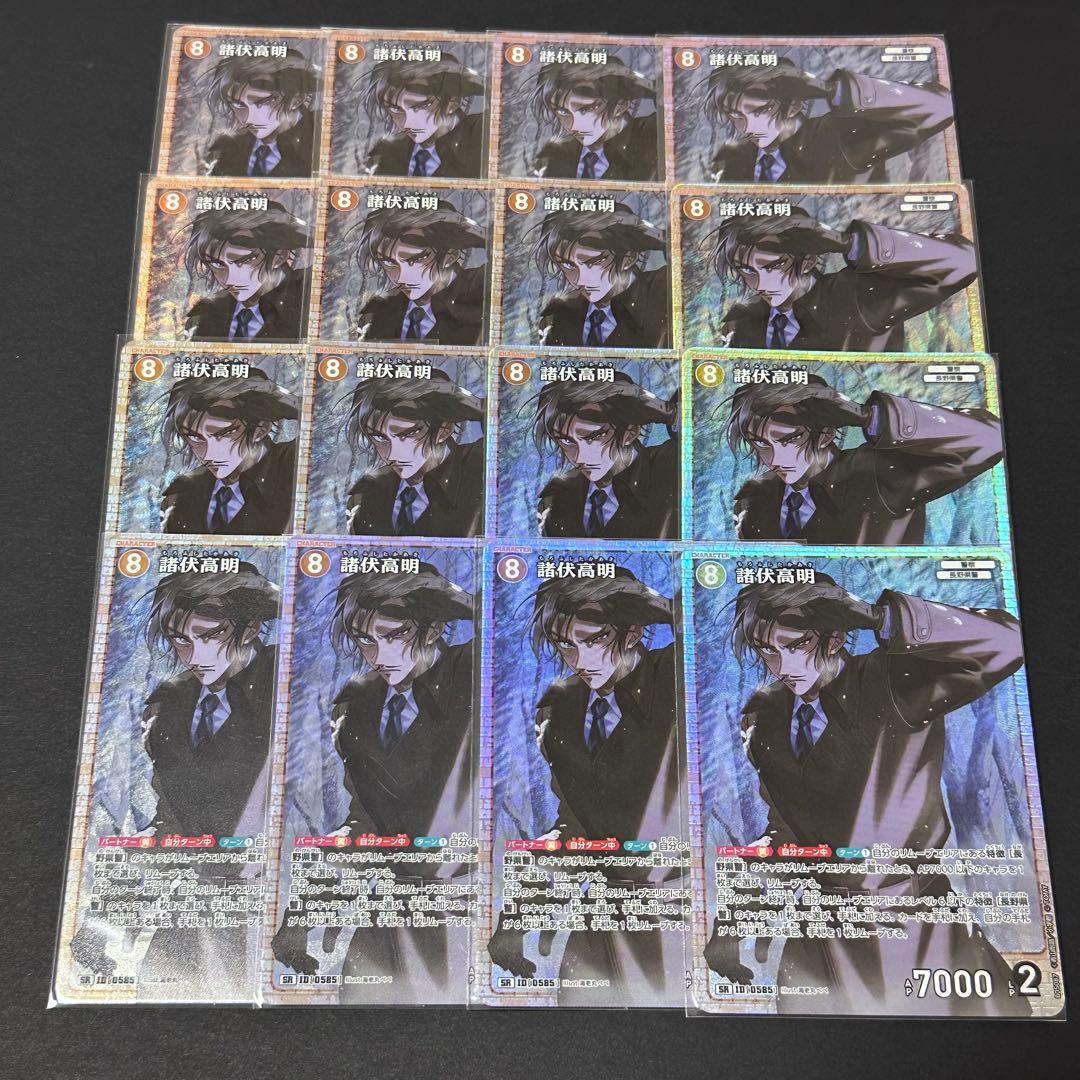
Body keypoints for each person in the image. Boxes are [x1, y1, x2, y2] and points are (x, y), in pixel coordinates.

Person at [703, 574, 1031, 1016]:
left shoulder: (893, 680)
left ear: (836, 637)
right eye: (767, 650)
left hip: (917, 927)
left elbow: (1009, 643)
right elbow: (787, 832)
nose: (782, 666)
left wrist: (880, 617)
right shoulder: (764, 714)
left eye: (797, 645)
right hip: (822, 943)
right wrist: (735, 916)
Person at [272, 564, 475, 1003]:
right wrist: (305, 908)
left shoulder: (473, 674)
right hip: (388, 905)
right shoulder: (356, 701)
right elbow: (364, 817)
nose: (379, 655)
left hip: (460, 903)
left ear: (433, 629)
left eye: (394, 636)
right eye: (366, 640)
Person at [487, 570, 683, 1005]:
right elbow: (573, 821)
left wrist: (645, 602)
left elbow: (701, 625)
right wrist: (519, 913)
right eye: (565, 644)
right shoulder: (559, 705)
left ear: (633, 633)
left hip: (671, 902)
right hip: (603, 906)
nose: (580, 658)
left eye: (595, 640)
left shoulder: (674, 676)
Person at [721, 373, 1002, 543]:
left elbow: (991, 437)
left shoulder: (880, 471)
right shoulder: (756, 498)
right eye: (761, 443)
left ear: (826, 434)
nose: (773, 458)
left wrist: (867, 416)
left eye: (790, 439)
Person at [705, 206, 977, 352]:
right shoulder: (745, 320)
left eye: (774, 266)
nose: (760, 284)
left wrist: (847, 242)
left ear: (809, 259)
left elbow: (964, 260)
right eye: (746, 270)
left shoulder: (856, 293)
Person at [700, 58, 954, 183]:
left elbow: (941, 106)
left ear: (794, 105)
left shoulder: (838, 133)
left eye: (759, 111)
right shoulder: (736, 160)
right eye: (734, 115)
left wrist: (829, 89)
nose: (746, 127)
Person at [532, 371, 678, 539]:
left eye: (595, 437)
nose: (579, 457)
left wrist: (666, 411)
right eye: (566, 441)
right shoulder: (557, 497)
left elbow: (698, 432)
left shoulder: (670, 467)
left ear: (630, 432)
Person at [344, 370, 485, 537]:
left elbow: (507, 427)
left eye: (409, 434)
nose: (392, 455)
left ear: (444, 429)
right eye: (379, 437)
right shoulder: (367, 493)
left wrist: (468, 400)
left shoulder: (480, 466)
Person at [159, 370, 298, 535]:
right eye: (195, 437)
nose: (208, 455)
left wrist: (280, 395)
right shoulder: (183, 493)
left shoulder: (295, 465)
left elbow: (321, 431)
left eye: (224, 434)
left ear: (261, 430)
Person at [533, 206, 669, 348]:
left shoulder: (662, 292)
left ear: (629, 258)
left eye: (593, 262)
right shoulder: (559, 315)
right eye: (568, 265)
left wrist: (660, 236)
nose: (579, 280)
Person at [351, 202, 486, 344]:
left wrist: (468, 227)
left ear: (450, 256)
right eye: (389, 262)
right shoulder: (378, 311)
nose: (401, 278)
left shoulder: (481, 290)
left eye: (416, 259)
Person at [182, 203, 312, 342]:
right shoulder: (206, 314)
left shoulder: (309, 296)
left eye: (245, 260)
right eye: (217, 264)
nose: (229, 280)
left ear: (280, 256)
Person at [526, 58, 659, 180]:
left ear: (621, 105)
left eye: (586, 109)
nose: (573, 126)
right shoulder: (555, 154)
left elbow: (668, 97)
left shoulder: (649, 135)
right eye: (562, 111)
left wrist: (628, 76)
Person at [358, 54, 486, 177]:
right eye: (395, 109)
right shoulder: (386, 152)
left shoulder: (483, 135)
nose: (406, 123)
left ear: (453, 101)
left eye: (421, 106)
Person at [198, 50, 320, 177]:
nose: (247, 119)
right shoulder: (229, 150)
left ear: (297, 100)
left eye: (262, 102)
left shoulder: (321, 138)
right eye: (238, 104)